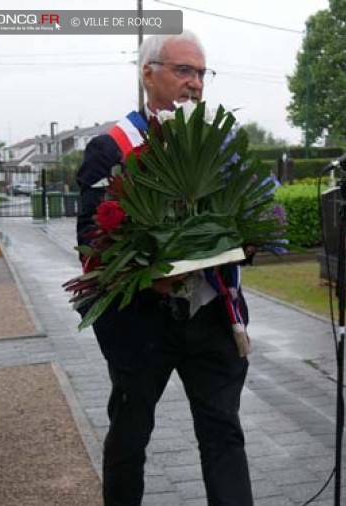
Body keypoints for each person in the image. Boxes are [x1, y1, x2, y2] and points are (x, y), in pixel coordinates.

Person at [76, 31, 254, 505]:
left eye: (200, 72)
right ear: (148, 73)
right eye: (183, 71)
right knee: (131, 437)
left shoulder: (222, 144)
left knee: (224, 435)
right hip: (140, 323)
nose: (194, 83)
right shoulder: (112, 147)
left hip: (211, 317)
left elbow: (243, 215)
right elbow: (91, 242)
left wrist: (247, 242)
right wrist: (149, 274)